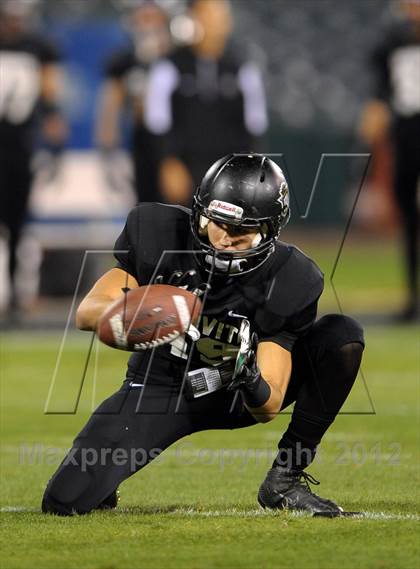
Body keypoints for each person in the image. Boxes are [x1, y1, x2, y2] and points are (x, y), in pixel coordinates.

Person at [42, 153, 364, 517]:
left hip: (233, 392)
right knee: (64, 501)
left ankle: (285, 478)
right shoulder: (158, 232)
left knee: (342, 337)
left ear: (269, 231)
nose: (225, 239)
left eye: (241, 232)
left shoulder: (292, 278)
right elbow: (88, 313)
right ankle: (109, 473)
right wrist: (136, 314)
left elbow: (268, 405)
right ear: (199, 213)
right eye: (217, 223)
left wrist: (249, 375)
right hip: (163, 385)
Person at [145, 0, 268, 205]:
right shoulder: (170, 66)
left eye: (219, 17)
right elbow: (157, 121)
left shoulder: (242, 69)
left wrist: (250, 172)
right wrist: (169, 162)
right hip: (184, 168)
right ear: (194, 19)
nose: (213, 23)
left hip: (230, 172)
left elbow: (254, 126)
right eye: (207, 16)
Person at [0, 0, 67, 314]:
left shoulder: (38, 47)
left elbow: (50, 91)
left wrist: (53, 123)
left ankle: (14, 291)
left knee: (16, 222)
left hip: (19, 145)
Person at [359, 0, 419, 322]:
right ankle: (413, 296)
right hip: (407, 134)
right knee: (409, 217)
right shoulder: (393, 42)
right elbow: (382, 94)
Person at [95, 0, 171, 203]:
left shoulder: (177, 59)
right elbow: (111, 106)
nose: (147, 26)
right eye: (142, 19)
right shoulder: (125, 61)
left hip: (176, 140)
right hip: (143, 140)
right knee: (146, 204)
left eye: (152, 19)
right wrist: (108, 151)